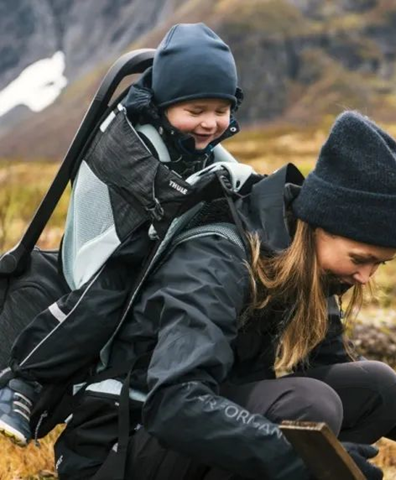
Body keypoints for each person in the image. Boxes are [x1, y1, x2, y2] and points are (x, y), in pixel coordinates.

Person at [51, 111, 396, 480]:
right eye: (361, 258)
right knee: (310, 408)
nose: (366, 277)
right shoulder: (217, 259)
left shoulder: (307, 262)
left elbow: (326, 364)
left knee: (379, 389)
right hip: (119, 450)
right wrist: (306, 463)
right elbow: (174, 405)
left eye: (379, 264)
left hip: (185, 433)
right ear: (320, 223)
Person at [0, 23, 246, 447]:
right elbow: (168, 192)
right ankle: (23, 384)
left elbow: (235, 172)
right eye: (197, 111)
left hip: (143, 247)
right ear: (166, 105)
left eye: (221, 111)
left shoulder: (188, 137)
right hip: (98, 259)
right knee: (107, 297)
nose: (210, 124)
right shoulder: (133, 137)